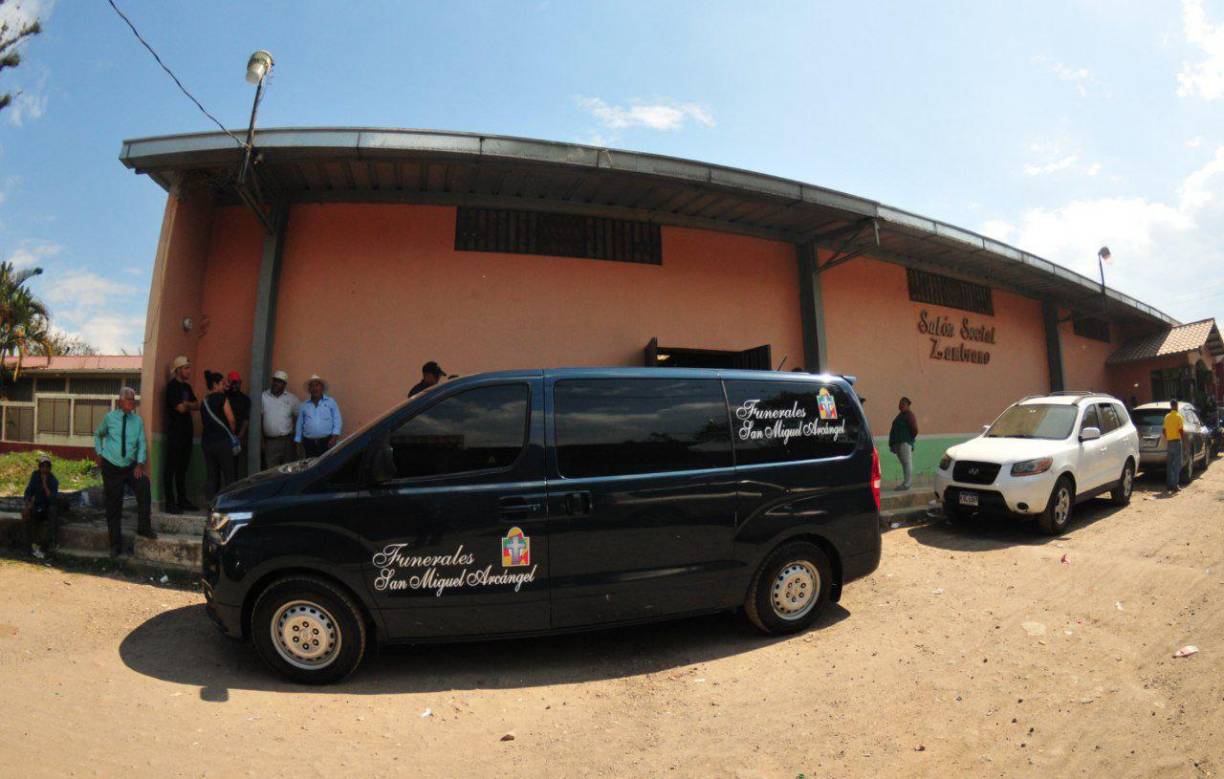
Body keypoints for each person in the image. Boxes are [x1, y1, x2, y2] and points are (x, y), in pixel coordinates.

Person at [95, 386, 155, 556]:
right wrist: (99, 453)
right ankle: (115, 545)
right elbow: (98, 434)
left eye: (134, 399)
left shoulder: (137, 421)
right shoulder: (109, 418)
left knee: (144, 484)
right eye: (129, 399)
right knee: (114, 505)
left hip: (130, 467)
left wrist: (140, 464)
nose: (132, 402)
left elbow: (142, 443)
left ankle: (144, 528)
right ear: (120, 401)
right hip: (111, 466)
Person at [162, 355, 200, 514]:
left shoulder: (187, 388)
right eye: (186, 368)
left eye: (189, 368)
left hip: (186, 433)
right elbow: (180, 408)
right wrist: (187, 405)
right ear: (178, 370)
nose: (189, 371)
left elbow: (197, 405)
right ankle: (170, 503)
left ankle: (182, 500)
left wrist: (188, 404)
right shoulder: (172, 387)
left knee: (183, 469)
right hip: (175, 434)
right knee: (171, 469)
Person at [201, 370, 239, 502]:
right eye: (222, 383)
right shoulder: (222, 398)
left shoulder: (204, 402)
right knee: (229, 474)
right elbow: (232, 420)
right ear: (215, 384)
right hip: (222, 442)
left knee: (211, 475)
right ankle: (230, 504)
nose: (224, 386)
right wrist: (233, 434)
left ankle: (211, 504)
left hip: (206, 443)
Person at [295, 374, 342, 457]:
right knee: (311, 464)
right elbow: (299, 424)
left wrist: (335, 437)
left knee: (327, 465)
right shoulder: (304, 405)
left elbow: (337, 419)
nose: (315, 388)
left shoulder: (331, 402)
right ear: (309, 389)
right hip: (308, 443)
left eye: (317, 385)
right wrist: (298, 440)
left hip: (327, 442)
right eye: (312, 386)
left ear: (322, 388)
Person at [22, 454, 58, 559]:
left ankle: (50, 546)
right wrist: (27, 505)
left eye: (46, 466)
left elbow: (51, 499)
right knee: (27, 518)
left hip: (48, 507)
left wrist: (45, 483)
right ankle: (28, 547)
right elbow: (28, 491)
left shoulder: (53, 480)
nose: (44, 469)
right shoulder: (35, 475)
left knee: (52, 513)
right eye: (42, 466)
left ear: (49, 468)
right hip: (37, 506)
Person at [261, 369, 300, 468]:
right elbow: (259, 419)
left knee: (289, 469)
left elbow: (300, 417)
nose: (276, 384)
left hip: (288, 441)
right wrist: (261, 440)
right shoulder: (263, 397)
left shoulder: (292, 398)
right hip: (270, 442)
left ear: (284, 384)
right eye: (275, 381)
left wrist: (296, 436)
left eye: (279, 382)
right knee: (271, 470)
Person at [888, 396, 919, 491]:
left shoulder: (909, 415)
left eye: (903, 404)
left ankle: (907, 484)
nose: (900, 405)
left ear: (908, 405)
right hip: (898, 443)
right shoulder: (900, 415)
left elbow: (914, 430)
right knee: (904, 463)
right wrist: (892, 444)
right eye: (900, 403)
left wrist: (909, 439)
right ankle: (905, 482)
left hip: (905, 443)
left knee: (907, 463)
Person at [226, 370, 252, 473]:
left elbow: (246, 419)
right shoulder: (223, 397)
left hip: (238, 438)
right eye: (232, 382)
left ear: (240, 382)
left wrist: (239, 437)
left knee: (235, 467)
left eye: (237, 382)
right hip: (224, 437)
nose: (235, 385)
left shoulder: (245, 399)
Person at [1164, 400, 1185, 493]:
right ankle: (1175, 485)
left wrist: (1168, 437)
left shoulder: (1167, 417)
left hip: (1169, 442)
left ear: (1170, 406)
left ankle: (1169, 484)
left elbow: (1163, 430)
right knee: (1177, 464)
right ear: (1176, 405)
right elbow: (1181, 430)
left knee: (1170, 464)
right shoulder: (1179, 416)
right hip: (1176, 442)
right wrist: (1182, 439)